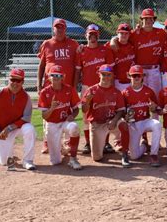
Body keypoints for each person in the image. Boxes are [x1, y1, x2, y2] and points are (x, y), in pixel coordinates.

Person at [37, 18, 80, 154]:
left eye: (62, 27)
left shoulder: (73, 44)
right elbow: (42, 65)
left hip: (67, 87)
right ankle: (46, 142)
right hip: (49, 86)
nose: (59, 30)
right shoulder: (47, 44)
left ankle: (67, 142)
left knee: (67, 113)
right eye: (57, 27)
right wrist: (39, 85)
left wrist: (74, 86)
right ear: (53, 29)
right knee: (49, 114)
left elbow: (77, 67)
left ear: (65, 29)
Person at [0, 68, 36, 171]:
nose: (15, 83)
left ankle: (27, 161)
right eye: (13, 79)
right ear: (9, 79)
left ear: (23, 82)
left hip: (17, 128)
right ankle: (8, 154)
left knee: (30, 129)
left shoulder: (26, 97)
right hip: (0, 129)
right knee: (4, 162)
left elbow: (26, 119)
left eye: (18, 80)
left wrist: (9, 128)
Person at [75, 24, 115, 155]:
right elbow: (77, 71)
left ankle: (106, 142)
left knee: (106, 114)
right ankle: (87, 143)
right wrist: (75, 88)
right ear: (86, 35)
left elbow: (111, 71)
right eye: (90, 35)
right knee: (86, 116)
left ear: (98, 36)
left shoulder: (105, 51)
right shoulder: (81, 51)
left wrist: (111, 87)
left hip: (103, 87)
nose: (93, 38)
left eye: (95, 35)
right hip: (87, 87)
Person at [81, 65, 131, 167]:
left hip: (111, 121)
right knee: (97, 158)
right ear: (99, 75)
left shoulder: (116, 92)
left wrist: (114, 120)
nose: (106, 77)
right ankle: (101, 145)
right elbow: (84, 110)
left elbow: (120, 111)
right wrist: (87, 102)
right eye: (103, 74)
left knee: (124, 125)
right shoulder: (91, 90)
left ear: (112, 76)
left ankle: (125, 154)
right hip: (97, 124)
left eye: (108, 75)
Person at [38, 65, 82, 170]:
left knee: (74, 127)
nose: (56, 77)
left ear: (63, 77)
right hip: (52, 123)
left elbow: (76, 109)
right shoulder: (45, 92)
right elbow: (44, 116)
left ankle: (73, 159)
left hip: (65, 122)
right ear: (49, 77)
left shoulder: (69, 89)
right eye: (53, 75)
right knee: (55, 162)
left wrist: (72, 115)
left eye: (59, 75)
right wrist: (52, 108)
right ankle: (61, 148)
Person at [121, 65, 163, 167]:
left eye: (138, 76)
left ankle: (154, 155)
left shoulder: (149, 91)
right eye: (134, 75)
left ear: (143, 76)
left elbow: (157, 109)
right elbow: (121, 111)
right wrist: (124, 117)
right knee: (134, 156)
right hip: (133, 124)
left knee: (157, 124)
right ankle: (144, 145)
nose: (136, 78)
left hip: (145, 121)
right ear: (129, 76)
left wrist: (154, 108)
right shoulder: (125, 93)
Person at [110, 23, 136, 92]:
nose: (124, 35)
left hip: (131, 80)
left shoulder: (133, 45)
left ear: (129, 34)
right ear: (117, 33)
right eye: (121, 33)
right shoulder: (111, 46)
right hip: (117, 81)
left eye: (126, 33)